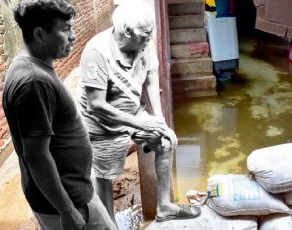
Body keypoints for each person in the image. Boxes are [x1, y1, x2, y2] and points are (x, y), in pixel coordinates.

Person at [77, 0, 201, 223]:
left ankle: (165, 207)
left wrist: (160, 122)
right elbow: (96, 105)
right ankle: (109, 225)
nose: (149, 38)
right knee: (104, 176)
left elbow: (152, 80)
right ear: (126, 31)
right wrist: (143, 124)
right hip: (102, 124)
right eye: (144, 35)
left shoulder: (143, 42)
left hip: (134, 112)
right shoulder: (96, 53)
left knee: (164, 141)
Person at [2, 1, 116, 229]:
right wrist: (66, 210)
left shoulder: (34, 69)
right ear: (40, 34)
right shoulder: (33, 82)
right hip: (68, 203)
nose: (73, 36)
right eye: (65, 30)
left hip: (75, 193)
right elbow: (37, 156)